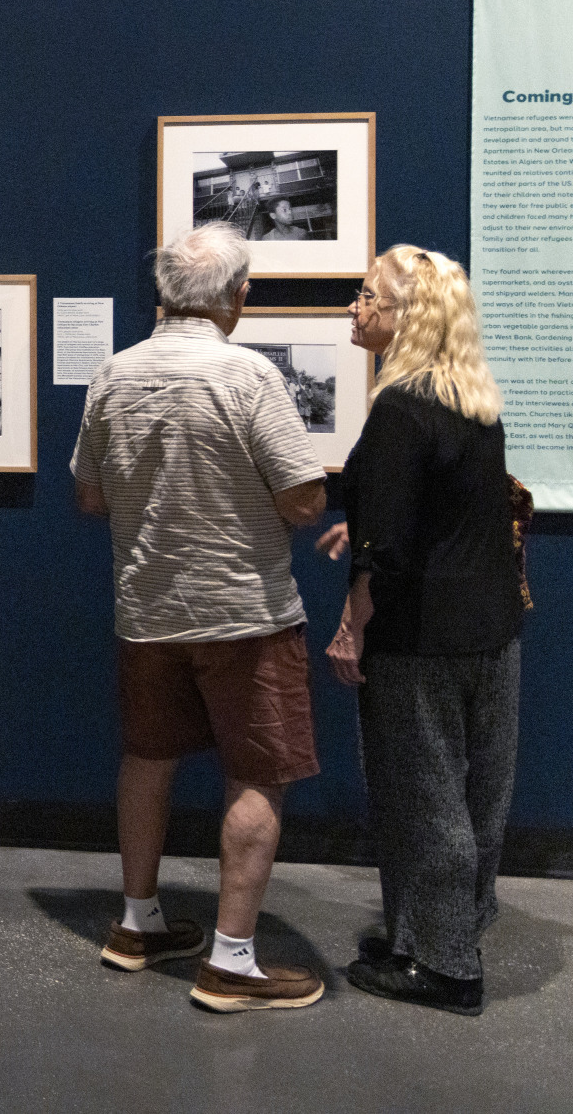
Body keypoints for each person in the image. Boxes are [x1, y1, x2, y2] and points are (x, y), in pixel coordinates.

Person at [71, 221, 329, 1014]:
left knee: (148, 758)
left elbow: (88, 497)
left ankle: (137, 922)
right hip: (244, 615)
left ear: (163, 294)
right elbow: (303, 496)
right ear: (236, 296)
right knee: (256, 773)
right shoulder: (248, 376)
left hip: (147, 610)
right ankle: (231, 962)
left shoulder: (115, 373)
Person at [316, 247, 525, 1016]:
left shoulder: (401, 407)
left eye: (367, 296)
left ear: (407, 317)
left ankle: (444, 968)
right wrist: (363, 524)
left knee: (423, 797)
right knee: (478, 797)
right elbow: (447, 511)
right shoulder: (471, 398)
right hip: (489, 633)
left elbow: (393, 550)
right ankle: (430, 933)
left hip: (421, 638)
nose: (354, 308)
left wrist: (350, 627)